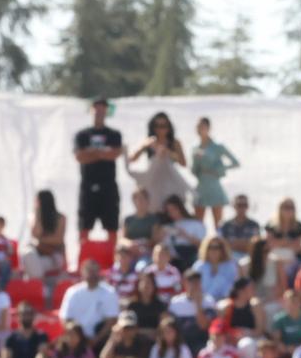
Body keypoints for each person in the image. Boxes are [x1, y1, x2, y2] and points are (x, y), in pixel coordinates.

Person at [74, 97, 125, 245]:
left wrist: (93, 152)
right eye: (96, 108)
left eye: (103, 108)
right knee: (84, 226)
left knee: (111, 225)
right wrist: (102, 153)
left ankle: (111, 260)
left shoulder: (114, 134)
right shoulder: (82, 135)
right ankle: (83, 259)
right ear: (91, 109)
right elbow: (80, 156)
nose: (99, 112)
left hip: (108, 186)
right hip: (88, 186)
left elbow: (114, 153)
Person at [127, 111, 191, 211]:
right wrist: (144, 146)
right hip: (153, 181)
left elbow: (183, 163)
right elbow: (132, 159)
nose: (160, 129)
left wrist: (168, 153)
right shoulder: (149, 141)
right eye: (157, 126)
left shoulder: (175, 142)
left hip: (170, 181)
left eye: (163, 126)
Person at [188, 116, 241, 226]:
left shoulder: (218, 147)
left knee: (218, 224)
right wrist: (196, 163)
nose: (200, 129)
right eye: (198, 127)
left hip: (214, 186)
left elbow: (235, 163)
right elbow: (194, 170)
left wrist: (219, 169)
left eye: (202, 126)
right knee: (198, 223)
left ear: (208, 128)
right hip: (201, 186)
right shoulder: (195, 149)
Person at [21, 190, 68, 291]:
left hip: (54, 255)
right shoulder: (34, 217)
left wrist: (40, 241)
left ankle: (39, 287)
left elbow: (58, 240)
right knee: (28, 254)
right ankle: (41, 287)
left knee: (33, 267)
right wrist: (38, 215)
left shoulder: (60, 218)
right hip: (38, 256)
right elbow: (35, 234)